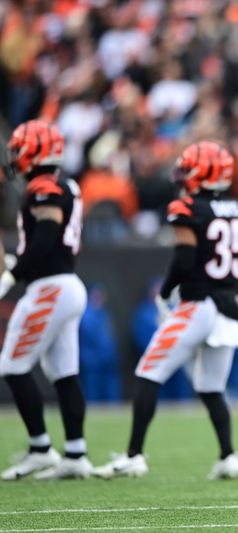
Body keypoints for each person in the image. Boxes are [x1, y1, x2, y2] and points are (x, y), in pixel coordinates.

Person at [92, 141, 238, 480]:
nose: (182, 175)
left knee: (148, 372)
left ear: (202, 174)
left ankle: (134, 455)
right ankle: (229, 456)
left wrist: (167, 291)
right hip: (225, 311)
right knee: (212, 388)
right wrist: (234, 295)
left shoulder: (187, 209)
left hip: (197, 305)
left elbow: (185, 260)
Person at [0, 120, 91, 480]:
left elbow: (47, 236)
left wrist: (12, 274)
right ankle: (75, 454)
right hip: (64, 284)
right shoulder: (65, 183)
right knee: (65, 374)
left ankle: (41, 449)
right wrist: (19, 263)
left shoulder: (43, 186)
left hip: (50, 288)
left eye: (20, 150)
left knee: (11, 365)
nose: (15, 157)